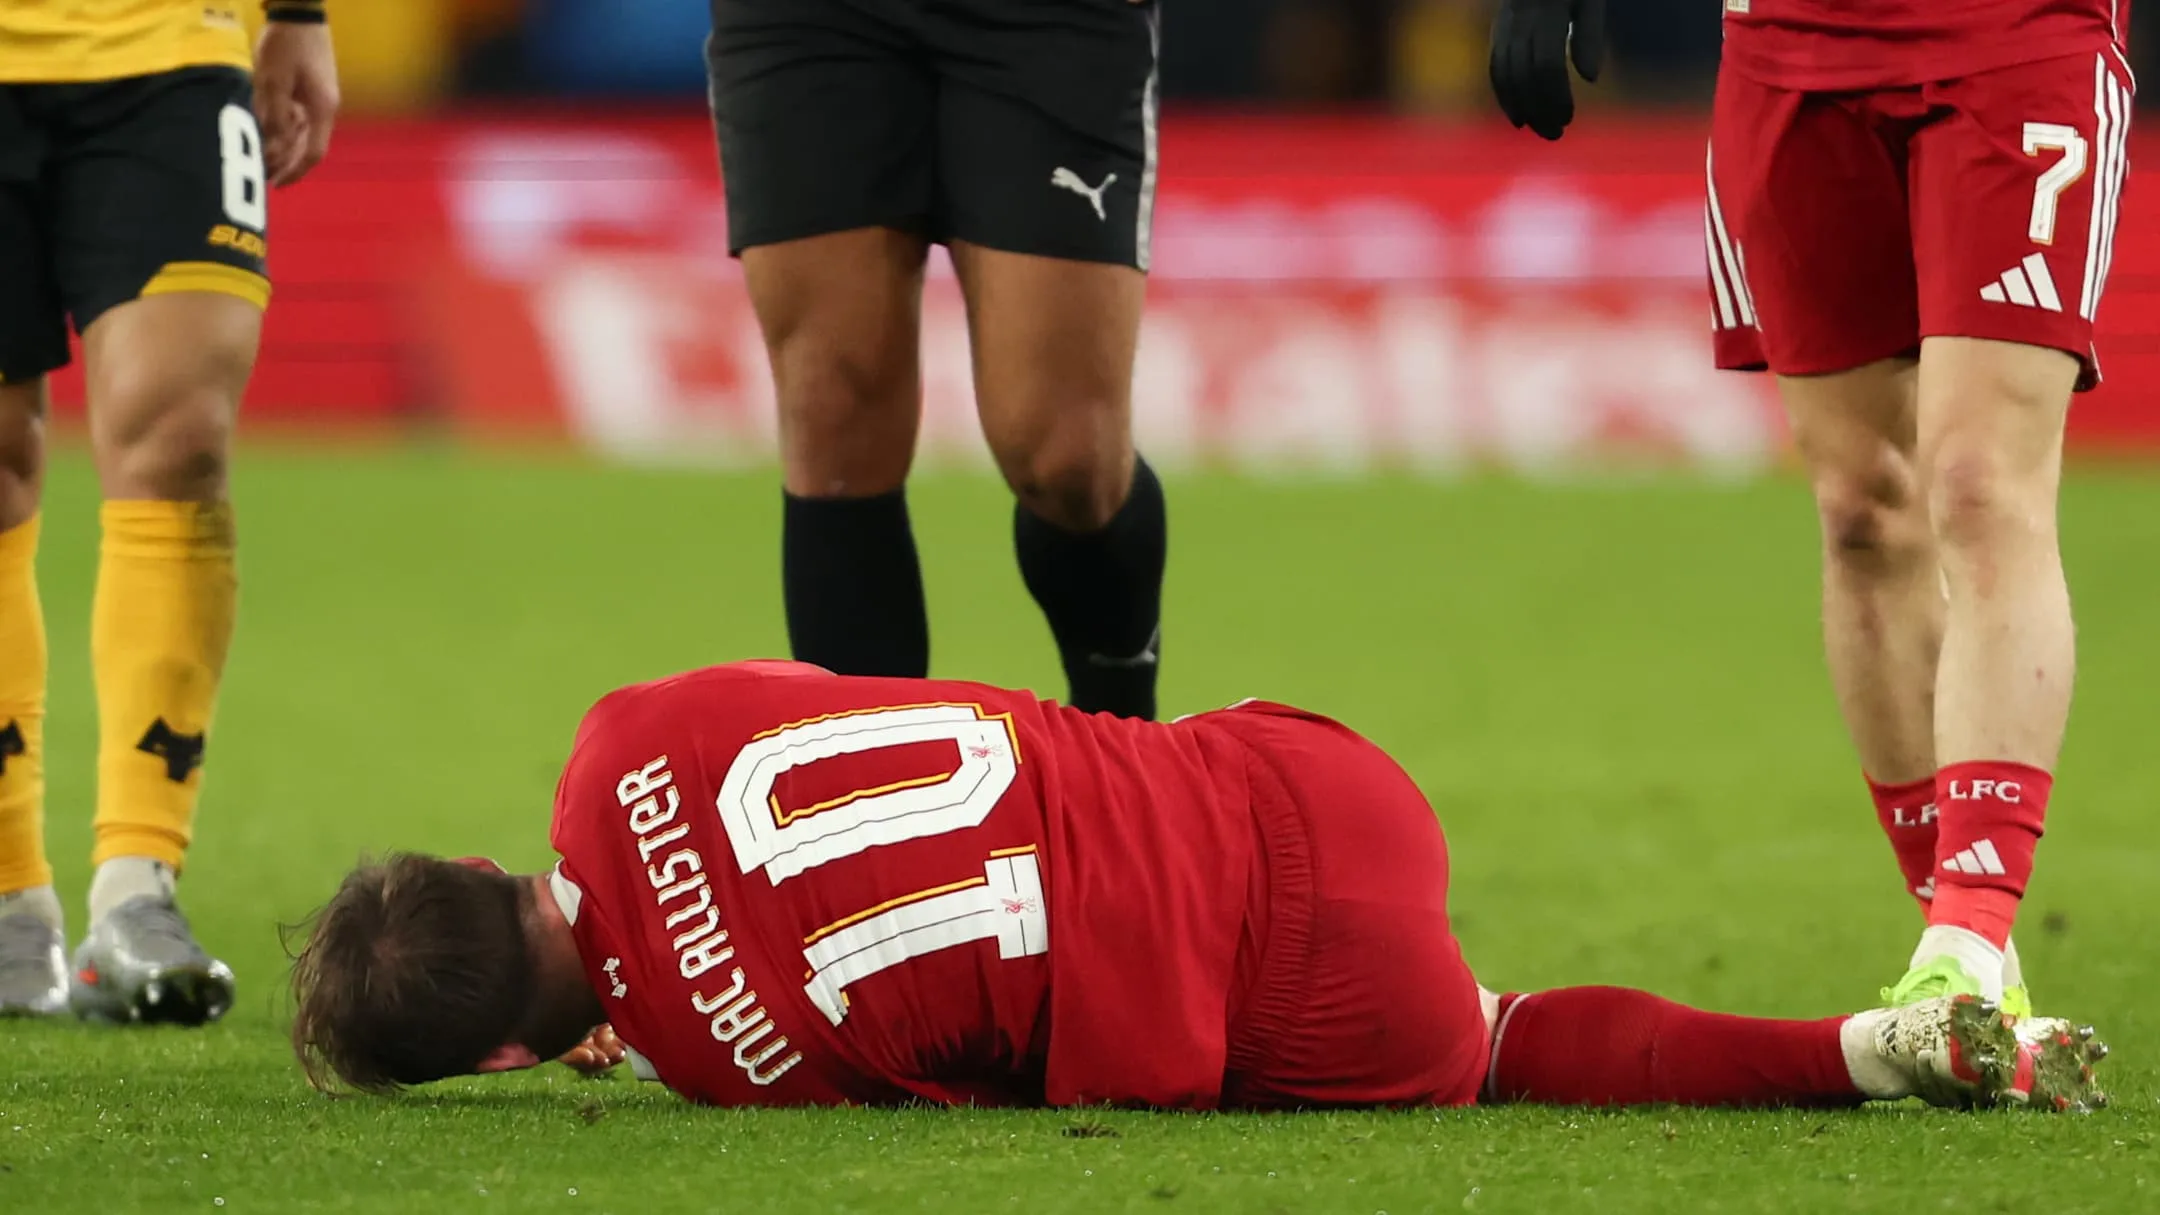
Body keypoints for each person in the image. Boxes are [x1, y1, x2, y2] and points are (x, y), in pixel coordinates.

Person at [286, 662, 2108, 1113]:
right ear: (480, 861)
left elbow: (956, 1074)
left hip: (1294, 1003)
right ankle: (1918, 1008)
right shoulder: (620, 735)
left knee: (1503, 1044)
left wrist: (652, 1004)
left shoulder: (720, 1066)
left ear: (502, 1053)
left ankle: (1856, 1050)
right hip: (1301, 774)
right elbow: (865, 699)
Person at [1487, 0, 2129, 1011]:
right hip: (1790, 52)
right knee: (1862, 510)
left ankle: (1970, 924)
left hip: (2016, 39)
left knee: (1979, 481)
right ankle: (1964, 954)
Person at [0, 0, 341, 1023]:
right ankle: (9, 895)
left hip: (170, 48)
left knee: (181, 441)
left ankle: (137, 886)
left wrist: (300, 16)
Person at [707, 0, 1169, 721]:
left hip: (1046, 20)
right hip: (812, 16)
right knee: (835, 418)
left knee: (1065, 461)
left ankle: (1121, 731)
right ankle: (868, 785)